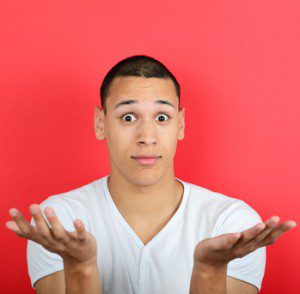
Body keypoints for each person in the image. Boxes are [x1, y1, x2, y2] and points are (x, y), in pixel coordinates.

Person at [6, 55, 297, 294]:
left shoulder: (232, 224)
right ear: (100, 123)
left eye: (161, 117)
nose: (147, 137)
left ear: (180, 124)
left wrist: (210, 270)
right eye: (128, 117)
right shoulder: (58, 222)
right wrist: (80, 266)